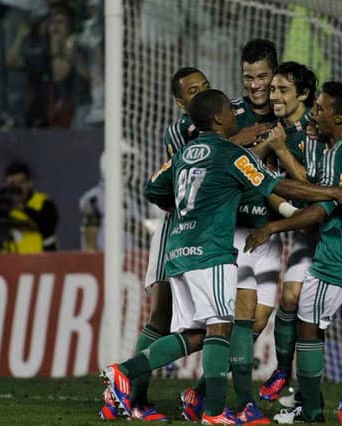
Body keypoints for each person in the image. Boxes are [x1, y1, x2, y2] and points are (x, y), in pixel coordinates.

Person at [100, 89, 342, 424]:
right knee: (220, 327)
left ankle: (134, 376)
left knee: (201, 333)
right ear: (218, 118)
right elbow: (278, 187)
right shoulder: (231, 153)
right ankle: (206, 409)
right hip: (211, 251)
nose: (235, 115)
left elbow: (153, 186)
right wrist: (332, 192)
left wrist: (185, 209)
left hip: (179, 250)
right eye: (229, 110)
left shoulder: (184, 153)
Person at [245, 82, 342, 424]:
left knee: (307, 327)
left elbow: (321, 211)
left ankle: (311, 409)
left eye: (322, 108)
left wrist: (271, 227)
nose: (315, 113)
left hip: (336, 257)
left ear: (340, 115)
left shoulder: (338, 152)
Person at [96, 67, 212, 422]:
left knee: (215, 321)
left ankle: (133, 392)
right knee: (161, 316)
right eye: (192, 91)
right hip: (177, 230)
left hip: (206, 233)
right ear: (179, 102)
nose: (201, 93)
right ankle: (132, 396)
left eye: (205, 87)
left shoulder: (219, 125)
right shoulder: (182, 131)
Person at [179, 39, 284, 424]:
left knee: (257, 323)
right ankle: (239, 406)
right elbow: (201, 150)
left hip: (270, 232)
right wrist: (242, 141)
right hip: (234, 230)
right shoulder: (228, 112)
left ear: (274, 74)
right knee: (238, 320)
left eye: (262, 77)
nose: (255, 85)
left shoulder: (284, 111)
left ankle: (200, 393)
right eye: (248, 77)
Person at [253, 61, 325, 404]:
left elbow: (312, 187)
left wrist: (280, 149)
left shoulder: (318, 131)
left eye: (283, 90)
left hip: (332, 232)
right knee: (292, 298)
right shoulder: (274, 129)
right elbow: (254, 174)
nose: (275, 96)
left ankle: (315, 397)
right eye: (274, 90)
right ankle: (284, 369)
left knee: (318, 310)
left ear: (305, 95)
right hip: (303, 230)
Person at [0, 161, 58, 253]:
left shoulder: (43, 202)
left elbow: (48, 226)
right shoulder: (3, 203)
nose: (16, 188)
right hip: (9, 261)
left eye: (20, 182)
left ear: (29, 184)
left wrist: (23, 209)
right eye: (12, 184)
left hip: (40, 259)